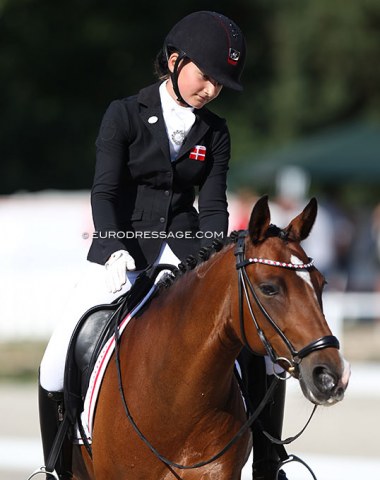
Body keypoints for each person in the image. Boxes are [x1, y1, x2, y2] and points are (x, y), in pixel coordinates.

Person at [36, 11, 286, 480]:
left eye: (220, 84)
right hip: (121, 250)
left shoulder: (216, 133)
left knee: (265, 353)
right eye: (205, 75)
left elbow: (213, 208)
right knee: (54, 362)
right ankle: (56, 468)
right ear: (175, 61)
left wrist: (207, 261)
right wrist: (112, 248)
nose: (210, 89)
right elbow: (105, 193)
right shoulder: (124, 114)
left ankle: (270, 462)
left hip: (186, 252)